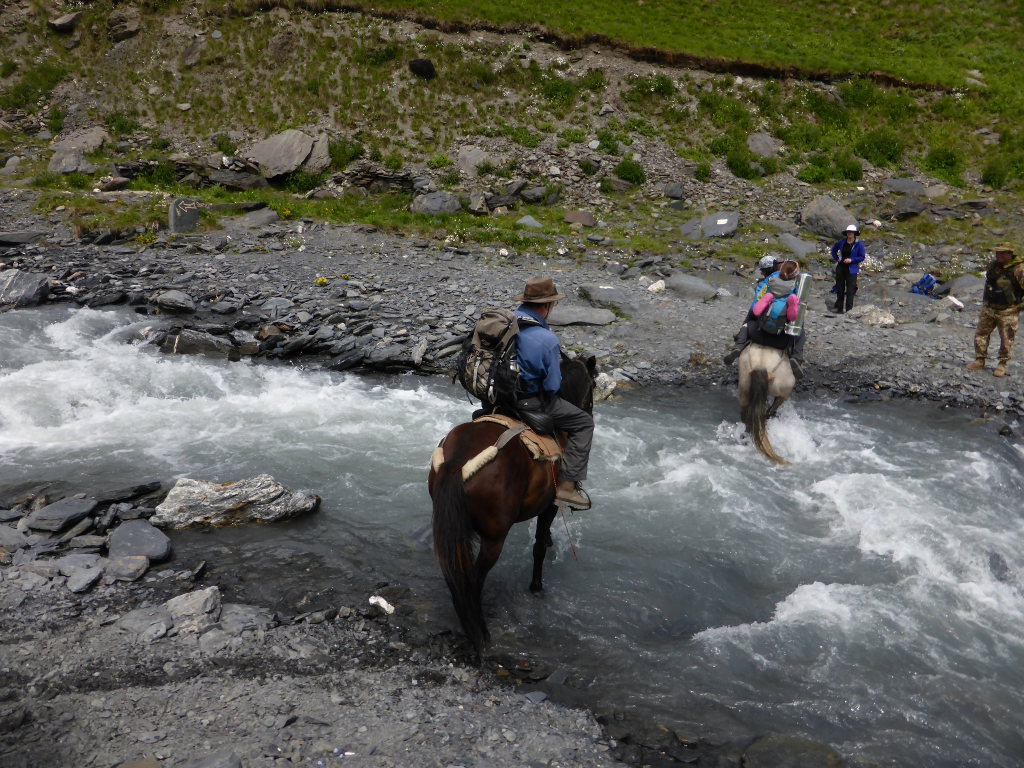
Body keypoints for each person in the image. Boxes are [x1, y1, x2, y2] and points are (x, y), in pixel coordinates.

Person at [513, 276, 594, 509]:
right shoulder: (546, 339)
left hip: (496, 397)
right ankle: (567, 489)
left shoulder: (505, 323)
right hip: (530, 402)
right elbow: (551, 387)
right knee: (583, 423)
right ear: (547, 305)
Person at [724, 258, 806, 377]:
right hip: (782, 339)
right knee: (801, 332)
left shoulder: (769, 281)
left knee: (748, 323)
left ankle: (739, 345)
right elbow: (796, 312)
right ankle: (797, 358)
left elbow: (757, 304)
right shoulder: (797, 287)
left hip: (759, 334)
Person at [966, 243, 1024, 378]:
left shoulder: (1019, 269)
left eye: (1003, 253)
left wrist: (1018, 308)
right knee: (981, 334)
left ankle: (1002, 364)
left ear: (1010, 253)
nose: (999, 256)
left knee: (1006, 339)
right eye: (997, 253)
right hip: (989, 308)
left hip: (1008, 311)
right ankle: (980, 360)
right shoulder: (993, 265)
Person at [830, 224, 866, 313]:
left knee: (850, 290)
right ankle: (839, 308)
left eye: (851, 232)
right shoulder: (842, 242)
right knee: (840, 288)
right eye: (848, 232)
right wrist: (837, 258)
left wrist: (852, 260)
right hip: (841, 268)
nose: (850, 234)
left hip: (852, 269)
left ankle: (849, 310)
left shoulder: (859, 244)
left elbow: (862, 257)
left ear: (854, 234)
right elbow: (833, 250)